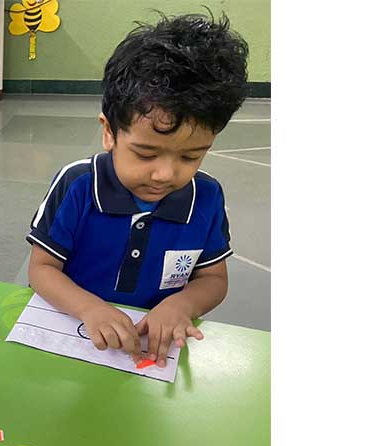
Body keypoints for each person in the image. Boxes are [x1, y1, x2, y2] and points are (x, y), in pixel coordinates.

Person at [26, 13, 249, 367]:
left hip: (153, 348)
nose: (165, 174)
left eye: (191, 156)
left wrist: (181, 305)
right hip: (71, 333)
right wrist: (90, 309)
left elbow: (213, 278)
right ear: (109, 132)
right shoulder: (78, 184)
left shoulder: (206, 197)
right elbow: (41, 269)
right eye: (145, 153)